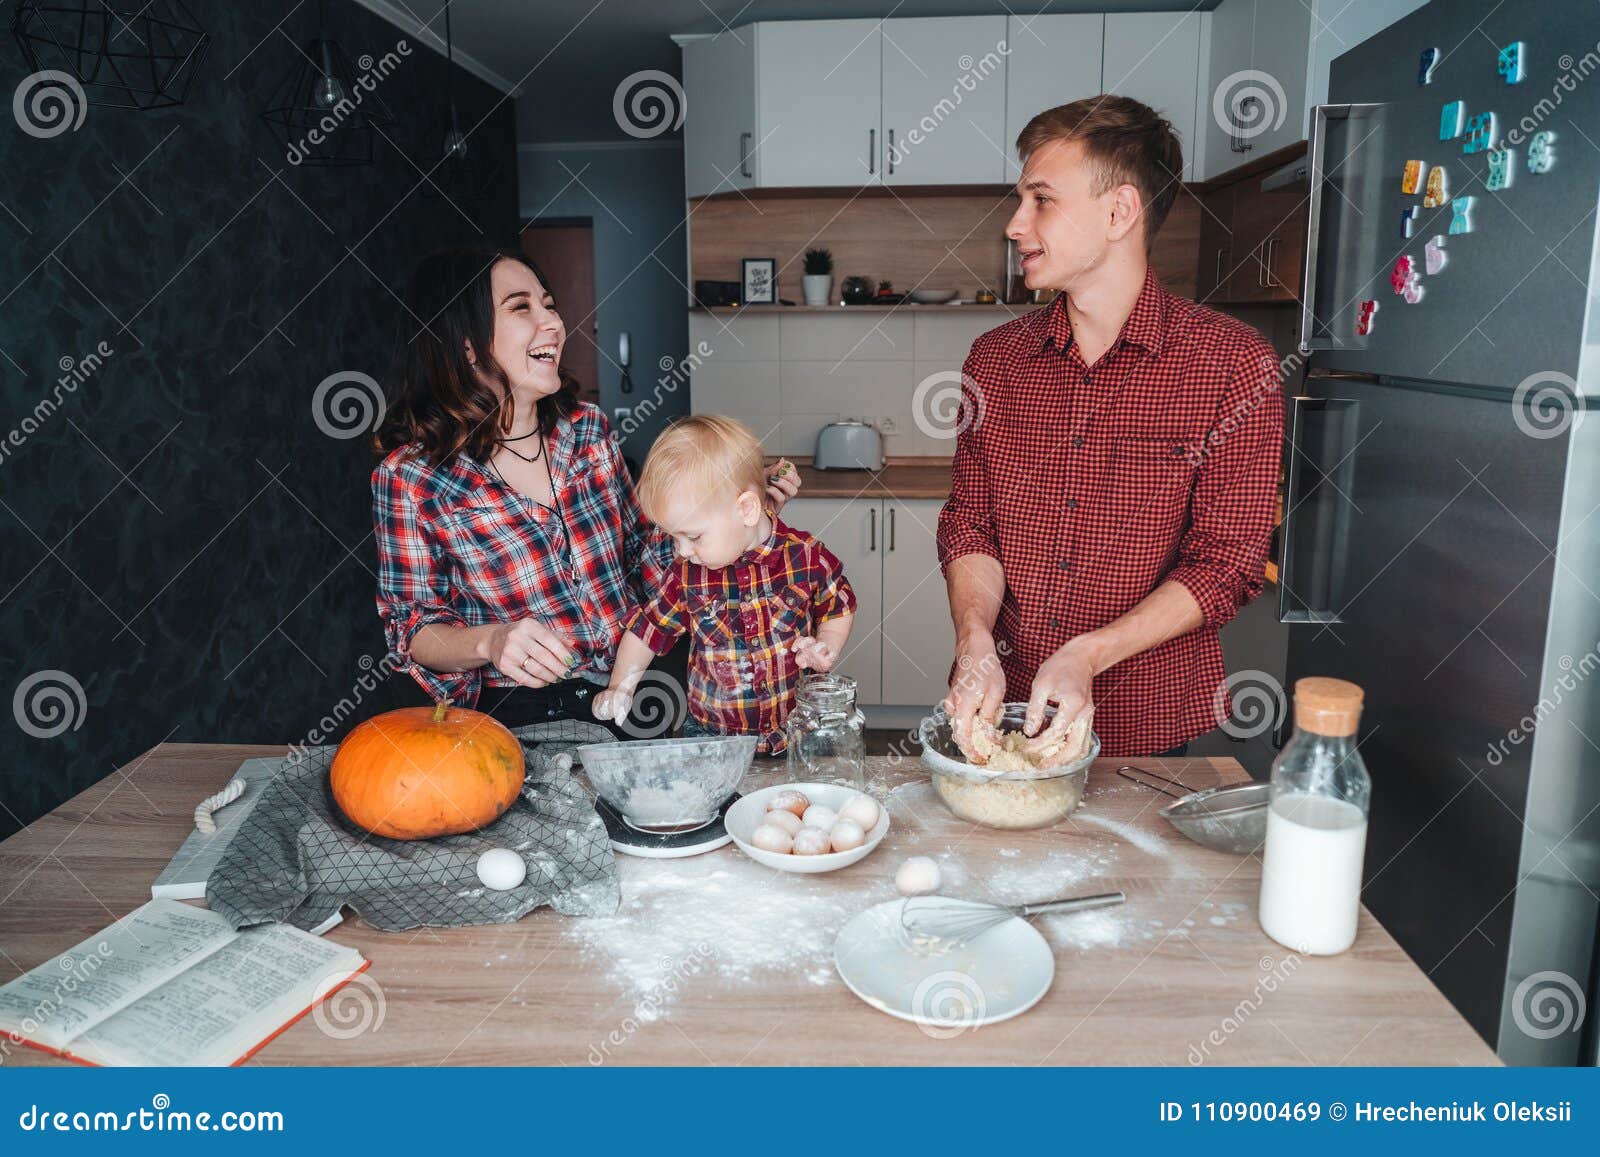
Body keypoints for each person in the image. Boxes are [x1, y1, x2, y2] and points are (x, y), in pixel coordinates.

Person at [939, 96, 1284, 759]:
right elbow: (971, 522)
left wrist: (1087, 656)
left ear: (1120, 211)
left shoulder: (1236, 366)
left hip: (1149, 726)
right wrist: (974, 638)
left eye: (1041, 199)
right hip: (1006, 710)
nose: (1015, 224)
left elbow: (1225, 566)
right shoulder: (995, 360)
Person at [370, 248, 801, 733]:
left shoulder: (588, 430)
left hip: (642, 681)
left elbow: (650, 553)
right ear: (466, 345)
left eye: (549, 304)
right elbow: (412, 628)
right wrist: (491, 642)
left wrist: (729, 517)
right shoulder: (413, 478)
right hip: (527, 716)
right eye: (520, 307)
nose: (553, 322)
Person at [595, 416, 856, 754]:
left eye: (692, 536)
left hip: (796, 732)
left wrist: (826, 645)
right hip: (710, 737)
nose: (682, 551)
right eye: (674, 538)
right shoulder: (685, 575)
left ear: (746, 509)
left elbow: (839, 604)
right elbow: (647, 630)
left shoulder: (804, 557)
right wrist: (621, 687)